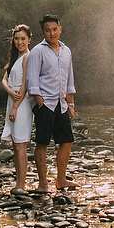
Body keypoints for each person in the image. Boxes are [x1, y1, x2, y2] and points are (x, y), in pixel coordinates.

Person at [25, 13, 77, 192]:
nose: (52, 33)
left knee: (67, 140)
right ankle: (43, 183)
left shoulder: (66, 51)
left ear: (60, 30)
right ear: (42, 32)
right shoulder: (37, 51)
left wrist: (70, 103)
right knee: (43, 142)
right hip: (45, 103)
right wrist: (39, 103)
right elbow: (32, 80)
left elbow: (69, 79)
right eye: (48, 31)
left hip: (61, 104)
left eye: (55, 29)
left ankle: (61, 180)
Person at [0, 24, 33, 192]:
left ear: (29, 40)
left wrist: (15, 106)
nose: (20, 42)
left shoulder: (28, 57)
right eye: (17, 39)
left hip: (22, 102)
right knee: (15, 143)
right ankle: (18, 182)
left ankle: (21, 184)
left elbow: (26, 84)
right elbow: (4, 80)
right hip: (13, 98)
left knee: (20, 144)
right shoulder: (14, 59)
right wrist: (11, 93)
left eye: (23, 39)